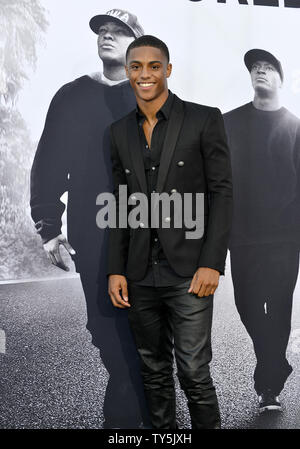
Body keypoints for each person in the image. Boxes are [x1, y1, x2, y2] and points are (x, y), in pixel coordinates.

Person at [30, 9, 150, 429]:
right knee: (104, 329)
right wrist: (49, 228)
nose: (107, 36)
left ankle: (126, 424)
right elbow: (48, 164)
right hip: (92, 232)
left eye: (119, 31)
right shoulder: (70, 96)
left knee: (141, 326)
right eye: (103, 30)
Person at [107, 35, 233, 429]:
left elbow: (222, 194)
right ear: (128, 72)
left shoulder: (204, 118)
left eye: (153, 66)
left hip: (190, 272)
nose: (145, 74)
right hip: (140, 273)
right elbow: (120, 202)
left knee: (194, 372)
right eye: (136, 66)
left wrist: (212, 263)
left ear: (168, 69)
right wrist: (116, 268)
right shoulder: (118, 132)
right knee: (153, 372)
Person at [223, 49, 300, 413]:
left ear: (281, 79)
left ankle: (268, 385)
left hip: (286, 236)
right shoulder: (228, 122)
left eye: (268, 68)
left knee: (280, 308)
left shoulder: (296, 127)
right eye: (255, 68)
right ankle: (275, 361)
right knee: (247, 304)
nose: (260, 72)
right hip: (243, 234)